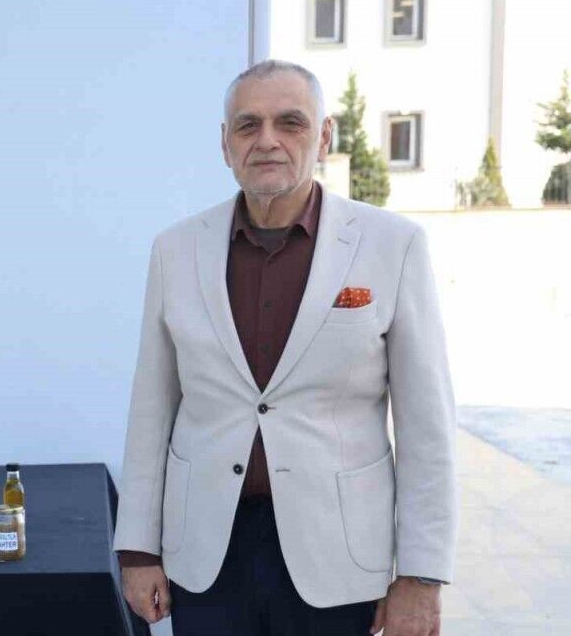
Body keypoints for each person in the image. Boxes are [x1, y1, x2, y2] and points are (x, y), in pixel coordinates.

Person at [114, 60, 456, 636]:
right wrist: (138, 549)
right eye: (248, 125)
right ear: (225, 143)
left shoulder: (392, 246)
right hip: (205, 551)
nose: (267, 140)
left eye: (290, 122)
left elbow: (427, 426)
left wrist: (422, 576)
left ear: (324, 136)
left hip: (338, 552)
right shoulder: (176, 250)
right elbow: (151, 406)